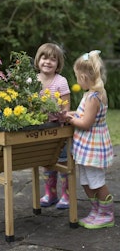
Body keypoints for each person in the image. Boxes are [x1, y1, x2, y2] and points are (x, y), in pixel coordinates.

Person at [66, 50, 114, 229]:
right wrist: (72, 114)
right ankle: (97, 211)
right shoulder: (89, 94)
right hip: (86, 146)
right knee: (86, 181)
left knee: (96, 181)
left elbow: (86, 123)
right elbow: (83, 114)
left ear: (85, 77)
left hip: (93, 145)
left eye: (77, 76)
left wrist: (70, 120)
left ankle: (107, 214)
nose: (77, 80)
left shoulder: (95, 97)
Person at [34, 43, 71, 209]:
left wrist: (61, 114)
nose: (47, 62)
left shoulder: (60, 81)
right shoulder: (34, 80)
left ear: (58, 63)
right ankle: (51, 193)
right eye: (44, 57)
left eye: (52, 59)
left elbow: (66, 107)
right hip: (41, 128)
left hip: (58, 128)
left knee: (62, 161)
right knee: (46, 161)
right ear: (38, 60)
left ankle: (66, 195)